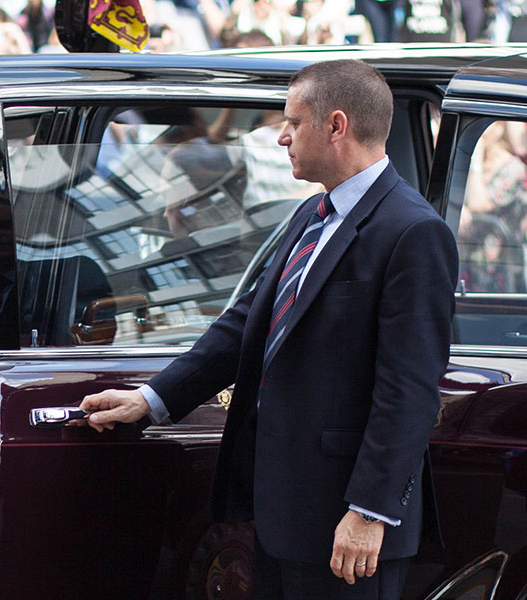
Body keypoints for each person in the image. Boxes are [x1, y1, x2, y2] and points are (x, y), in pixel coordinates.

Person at [80, 59, 457, 598]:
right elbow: (247, 324)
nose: (281, 137)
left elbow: (410, 389)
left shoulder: (413, 231)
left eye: (293, 122)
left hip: (347, 526)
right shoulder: (311, 214)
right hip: (285, 518)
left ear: (336, 126)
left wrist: (370, 512)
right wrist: (153, 398)